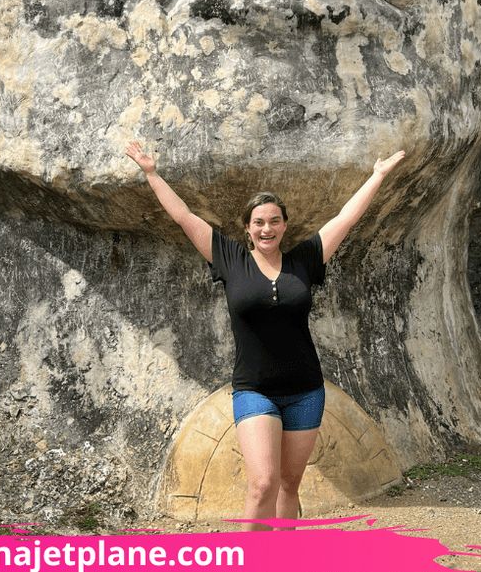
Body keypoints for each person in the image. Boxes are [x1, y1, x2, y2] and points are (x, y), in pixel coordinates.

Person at [125, 139, 405, 528]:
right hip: (254, 390)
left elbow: (345, 218)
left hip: (306, 390)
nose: (266, 228)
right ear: (248, 228)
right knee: (262, 484)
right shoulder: (230, 258)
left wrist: (377, 175)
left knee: (290, 485)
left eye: (274, 220)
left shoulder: (304, 260)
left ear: (284, 225)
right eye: (259, 222)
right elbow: (184, 216)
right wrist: (152, 173)